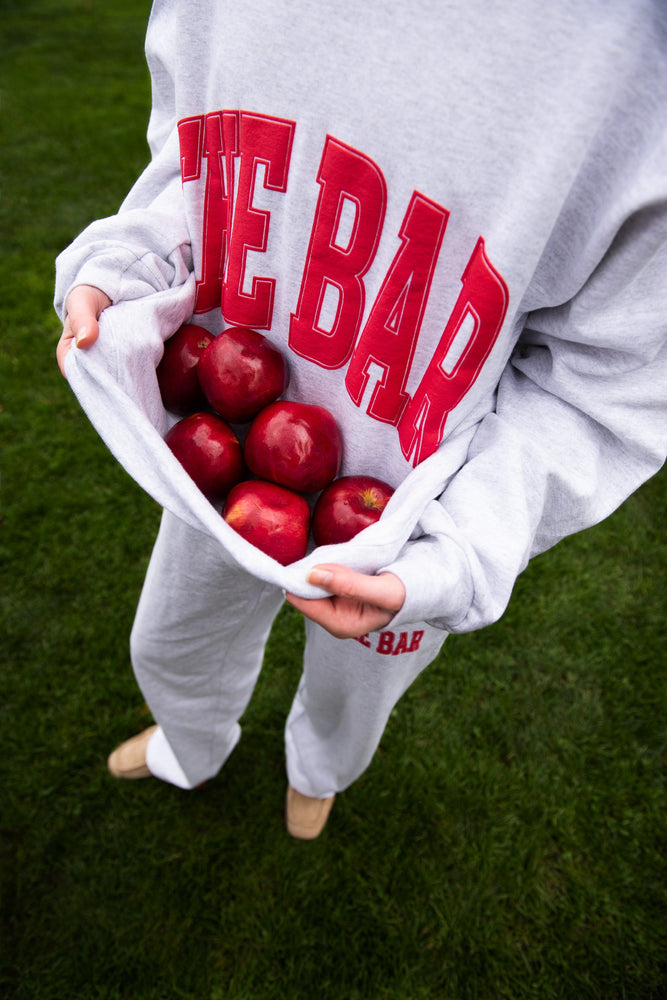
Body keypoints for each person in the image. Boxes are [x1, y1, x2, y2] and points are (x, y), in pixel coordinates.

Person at [55, 0, 667, 839]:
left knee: (356, 688)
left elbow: (605, 383)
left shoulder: (636, 52)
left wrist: (458, 551)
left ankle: (319, 770)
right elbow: (196, 161)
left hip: (402, 527)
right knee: (173, 636)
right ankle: (190, 743)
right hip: (220, 468)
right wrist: (127, 264)